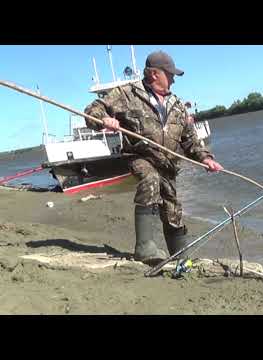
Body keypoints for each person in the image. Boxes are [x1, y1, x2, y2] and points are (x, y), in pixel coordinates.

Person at [84, 50, 224, 266]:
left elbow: (190, 140)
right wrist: (104, 118)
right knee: (150, 181)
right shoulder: (127, 94)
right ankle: (144, 247)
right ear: (154, 74)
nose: (174, 79)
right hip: (139, 156)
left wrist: (205, 158)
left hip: (167, 164)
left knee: (172, 209)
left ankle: (181, 258)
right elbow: (92, 109)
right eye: (170, 74)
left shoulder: (177, 104)